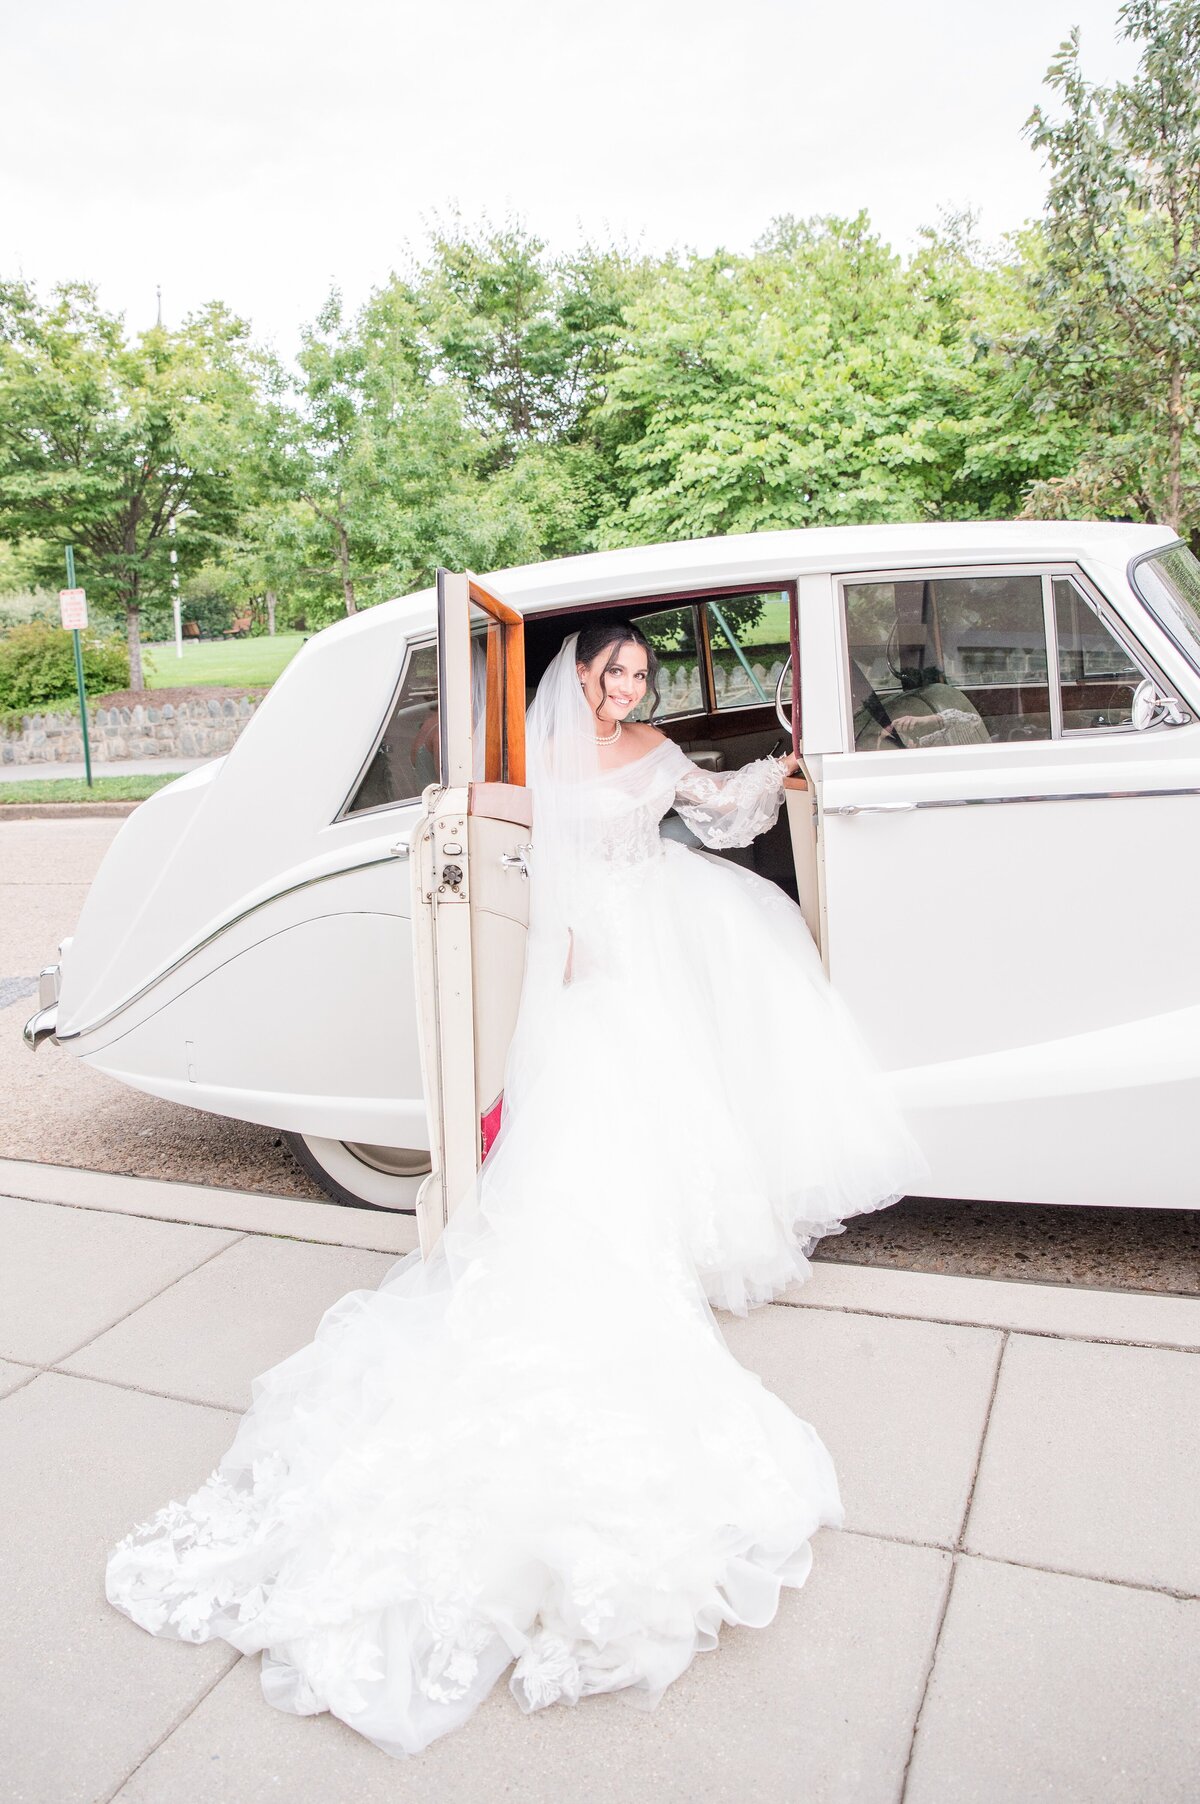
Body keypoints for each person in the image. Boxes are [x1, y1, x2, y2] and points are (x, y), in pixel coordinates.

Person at [105, 620, 930, 1758]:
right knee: (597, 1116)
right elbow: (526, 863)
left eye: (643, 675)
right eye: (615, 671)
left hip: (662, 924)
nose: (630, 688)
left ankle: (683, 1238)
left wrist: (777, 773)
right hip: (588, 952)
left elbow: (717, 812)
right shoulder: (543, 759)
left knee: (692, 1074)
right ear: (580, 675)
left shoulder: (655, 751)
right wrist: (570, 934)